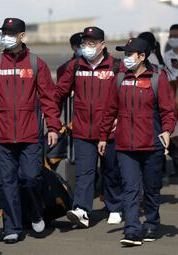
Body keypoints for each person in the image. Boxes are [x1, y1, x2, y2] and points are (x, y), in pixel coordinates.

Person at [0, 18, 60, 244]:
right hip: (2, 136)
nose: (6, 36)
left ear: (22, 36)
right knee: (7, 183)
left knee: (31, 178)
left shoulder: (36, 63)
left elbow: (48, 98)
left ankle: (34, 212)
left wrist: (53, 125)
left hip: (30, 135)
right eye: (3, 32)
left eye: (11, 33)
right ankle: (12, 227)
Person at [98, 38, 176, 246]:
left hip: (152, 145)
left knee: (150, 188)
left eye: (130, 54)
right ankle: (131, 229)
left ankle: (151, 222)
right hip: (125, 146)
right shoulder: (120, 78)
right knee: (130, 188)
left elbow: (168, 111)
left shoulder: (158, 79)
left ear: (142, 57)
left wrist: (167, 130)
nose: (126, 59)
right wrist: (103, 136)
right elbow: (109, 110)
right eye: (125, 54)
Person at [55, 26, 124, 228]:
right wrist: (52, 118)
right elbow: (59, 92)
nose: (87, 47)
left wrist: (120, 117)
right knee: (84, 172)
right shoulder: (76, 66)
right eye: (85, 43)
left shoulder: (116, 67)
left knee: (111, 171)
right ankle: (82, 210)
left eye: (92, 43)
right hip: (83, 130)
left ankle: (115, 207)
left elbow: (125, 95)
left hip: (110, 130)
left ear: (103, 45)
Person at [164, 24, 178, 91]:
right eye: (171, 36)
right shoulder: (166, 55)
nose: (172, 39)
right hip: (170, 90)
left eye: (175, 36)